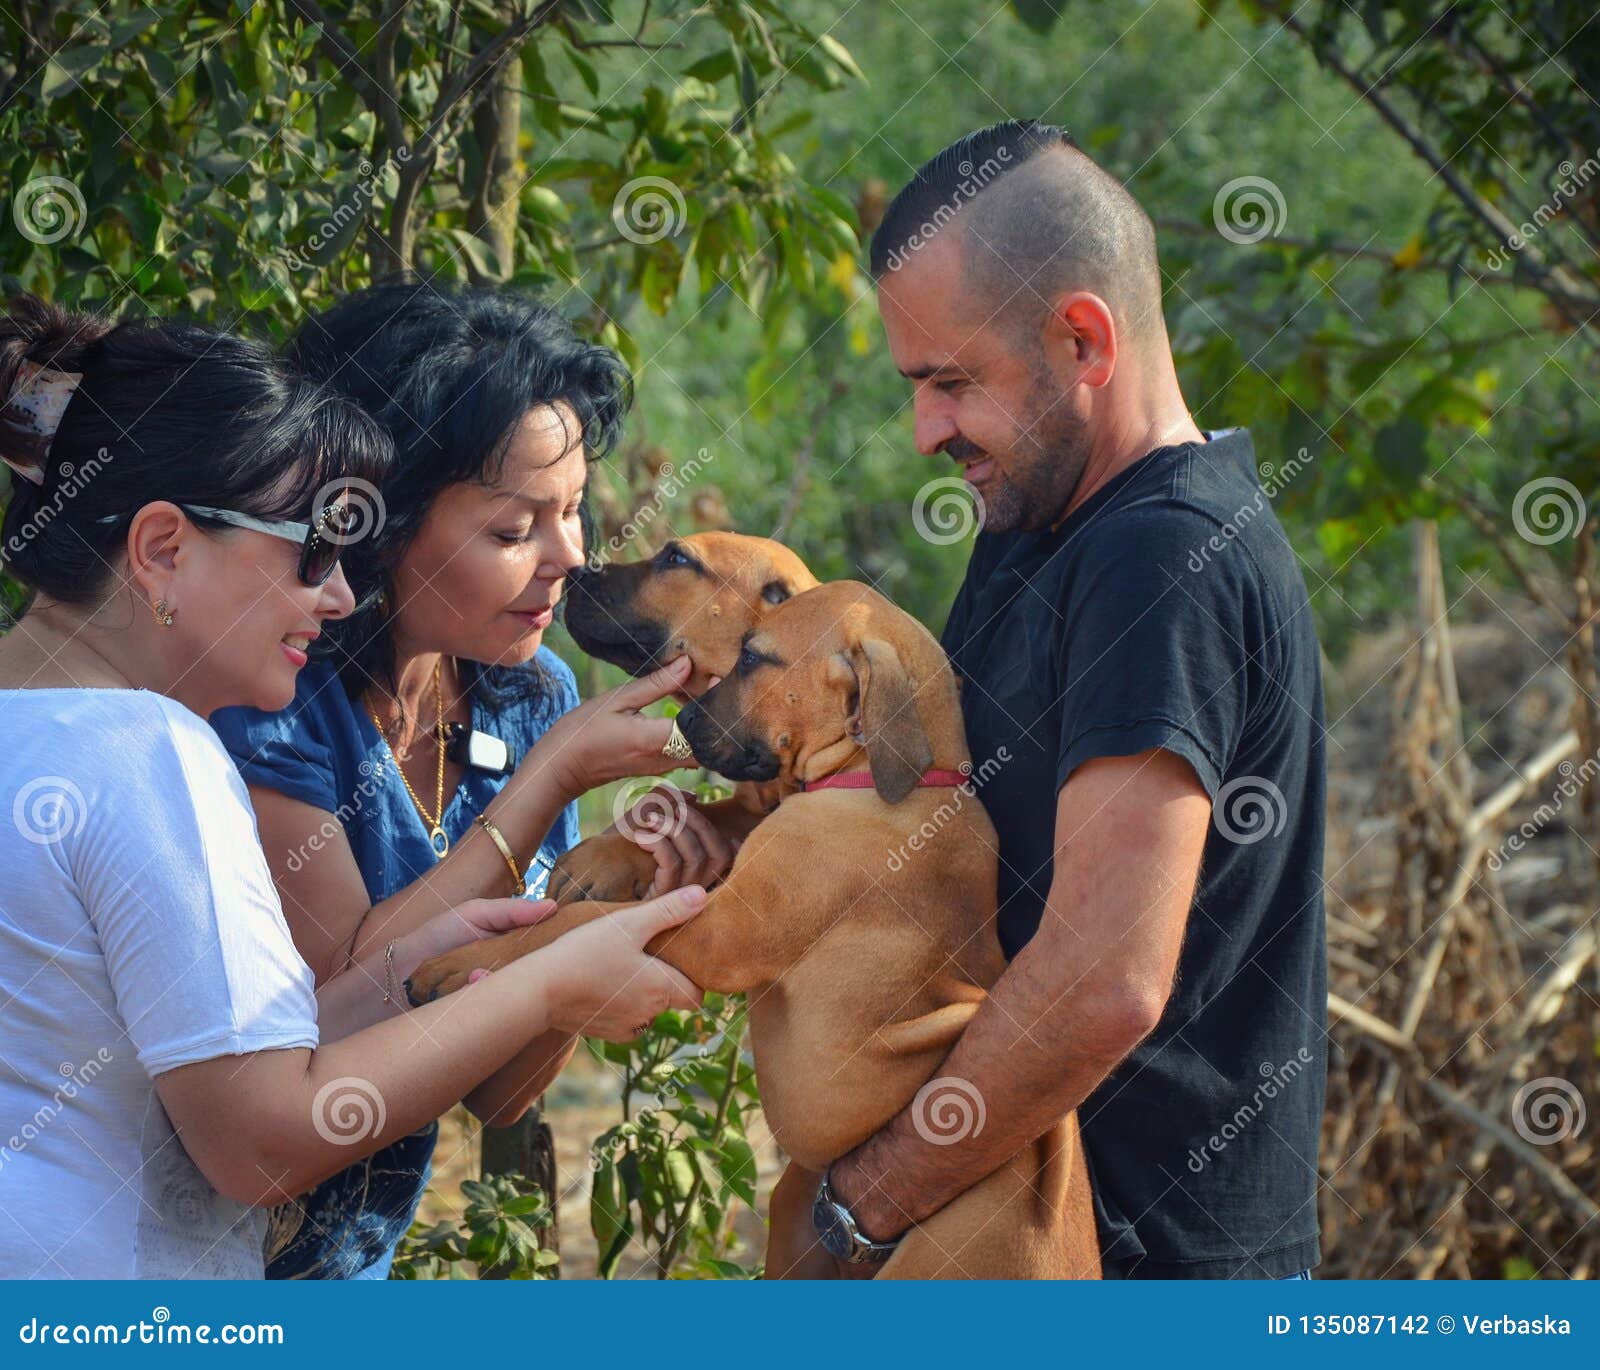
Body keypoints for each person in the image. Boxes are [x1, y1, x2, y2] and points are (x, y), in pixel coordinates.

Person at [0, 294, 704, 1280]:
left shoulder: (55, 732)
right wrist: (547, 978)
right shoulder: (154, 749)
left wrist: (418, 960)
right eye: (310, 552)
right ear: (162, 549)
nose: (336, 592)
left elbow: (224, 1053)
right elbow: (260, 1140)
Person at [818, 122, 1327, 1279]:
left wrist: (864, 1208)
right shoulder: (1042, 527)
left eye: (952, 382)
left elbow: (1105, 978)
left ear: (1083, 339)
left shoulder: (1161, 555)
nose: (925, 431)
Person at [209, 279, 737, 1279]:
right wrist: (549, 779)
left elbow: (500, 1088)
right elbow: (355, 987)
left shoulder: (528, 693)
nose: (567, 558)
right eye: (512, 530)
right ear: (381, 518)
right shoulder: (269, 692)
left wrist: (629, 898)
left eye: (574, 512)